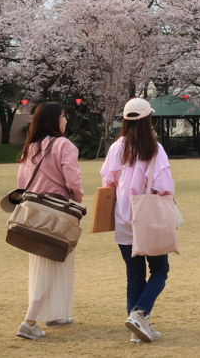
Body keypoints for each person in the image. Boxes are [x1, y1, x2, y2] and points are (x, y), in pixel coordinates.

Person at [100, 98, 175, 344]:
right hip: (150, 220)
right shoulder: (154, 148)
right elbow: (163, 187)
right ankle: (139, 314)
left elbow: (107, 182)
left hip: (123, 218)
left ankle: (136, 325)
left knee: (134, 275)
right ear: (147, 120)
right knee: (160, 270)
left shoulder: (116, 148)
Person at [13, 102, 84, 340]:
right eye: (64, 117)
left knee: (46, 265)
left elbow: (22, 184)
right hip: (58, 213)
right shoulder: (64, 144)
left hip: (34, 214)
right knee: (54, 264)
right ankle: (29, 321)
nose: (66, 121)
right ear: (55, 120)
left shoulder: (30, 148)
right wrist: (77, 200)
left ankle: (57, 314)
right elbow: (74, 181)